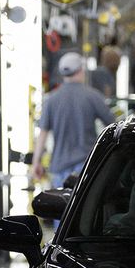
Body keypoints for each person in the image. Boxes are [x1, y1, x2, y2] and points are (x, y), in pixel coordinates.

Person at [31, 52, 116, 189]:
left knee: (62, 208)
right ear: (81, 70)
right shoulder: (92, 96)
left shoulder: (51, 99)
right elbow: (113, 126)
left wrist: (36, 162)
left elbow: (43, 134)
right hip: (86, 165)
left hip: (59, 167)